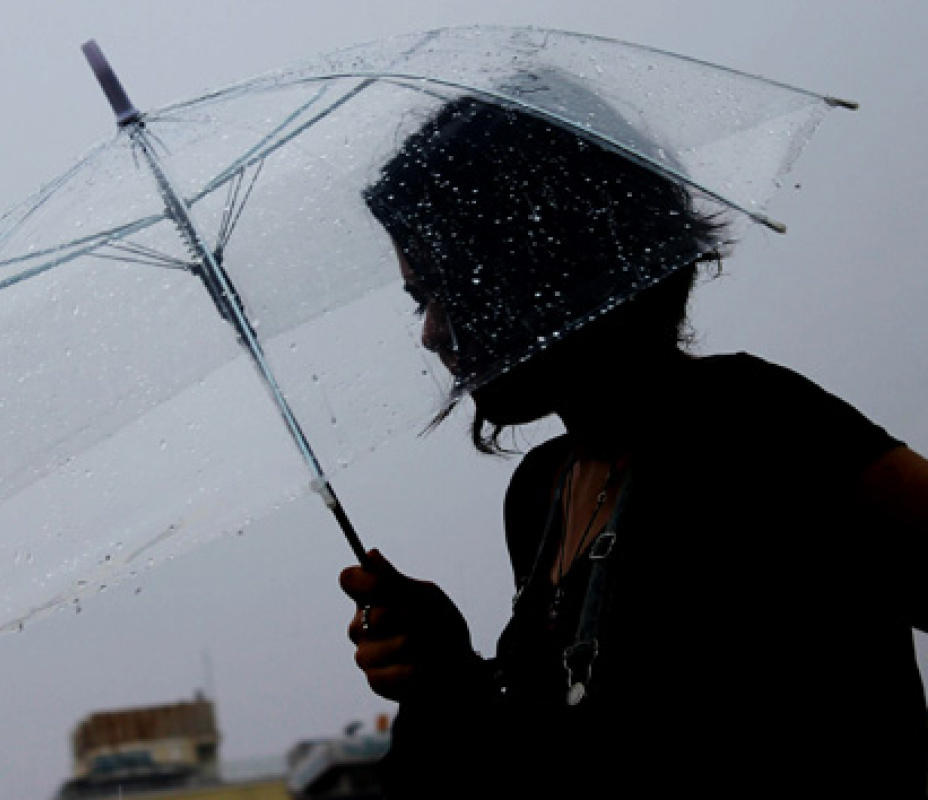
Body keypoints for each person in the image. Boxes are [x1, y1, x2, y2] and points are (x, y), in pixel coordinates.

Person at [339, 88, 928, 797]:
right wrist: (447, 674)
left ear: (543, 257)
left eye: (448, 286)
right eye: (417, 299)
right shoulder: (543, 491)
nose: (432, 331)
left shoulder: (761, 428)